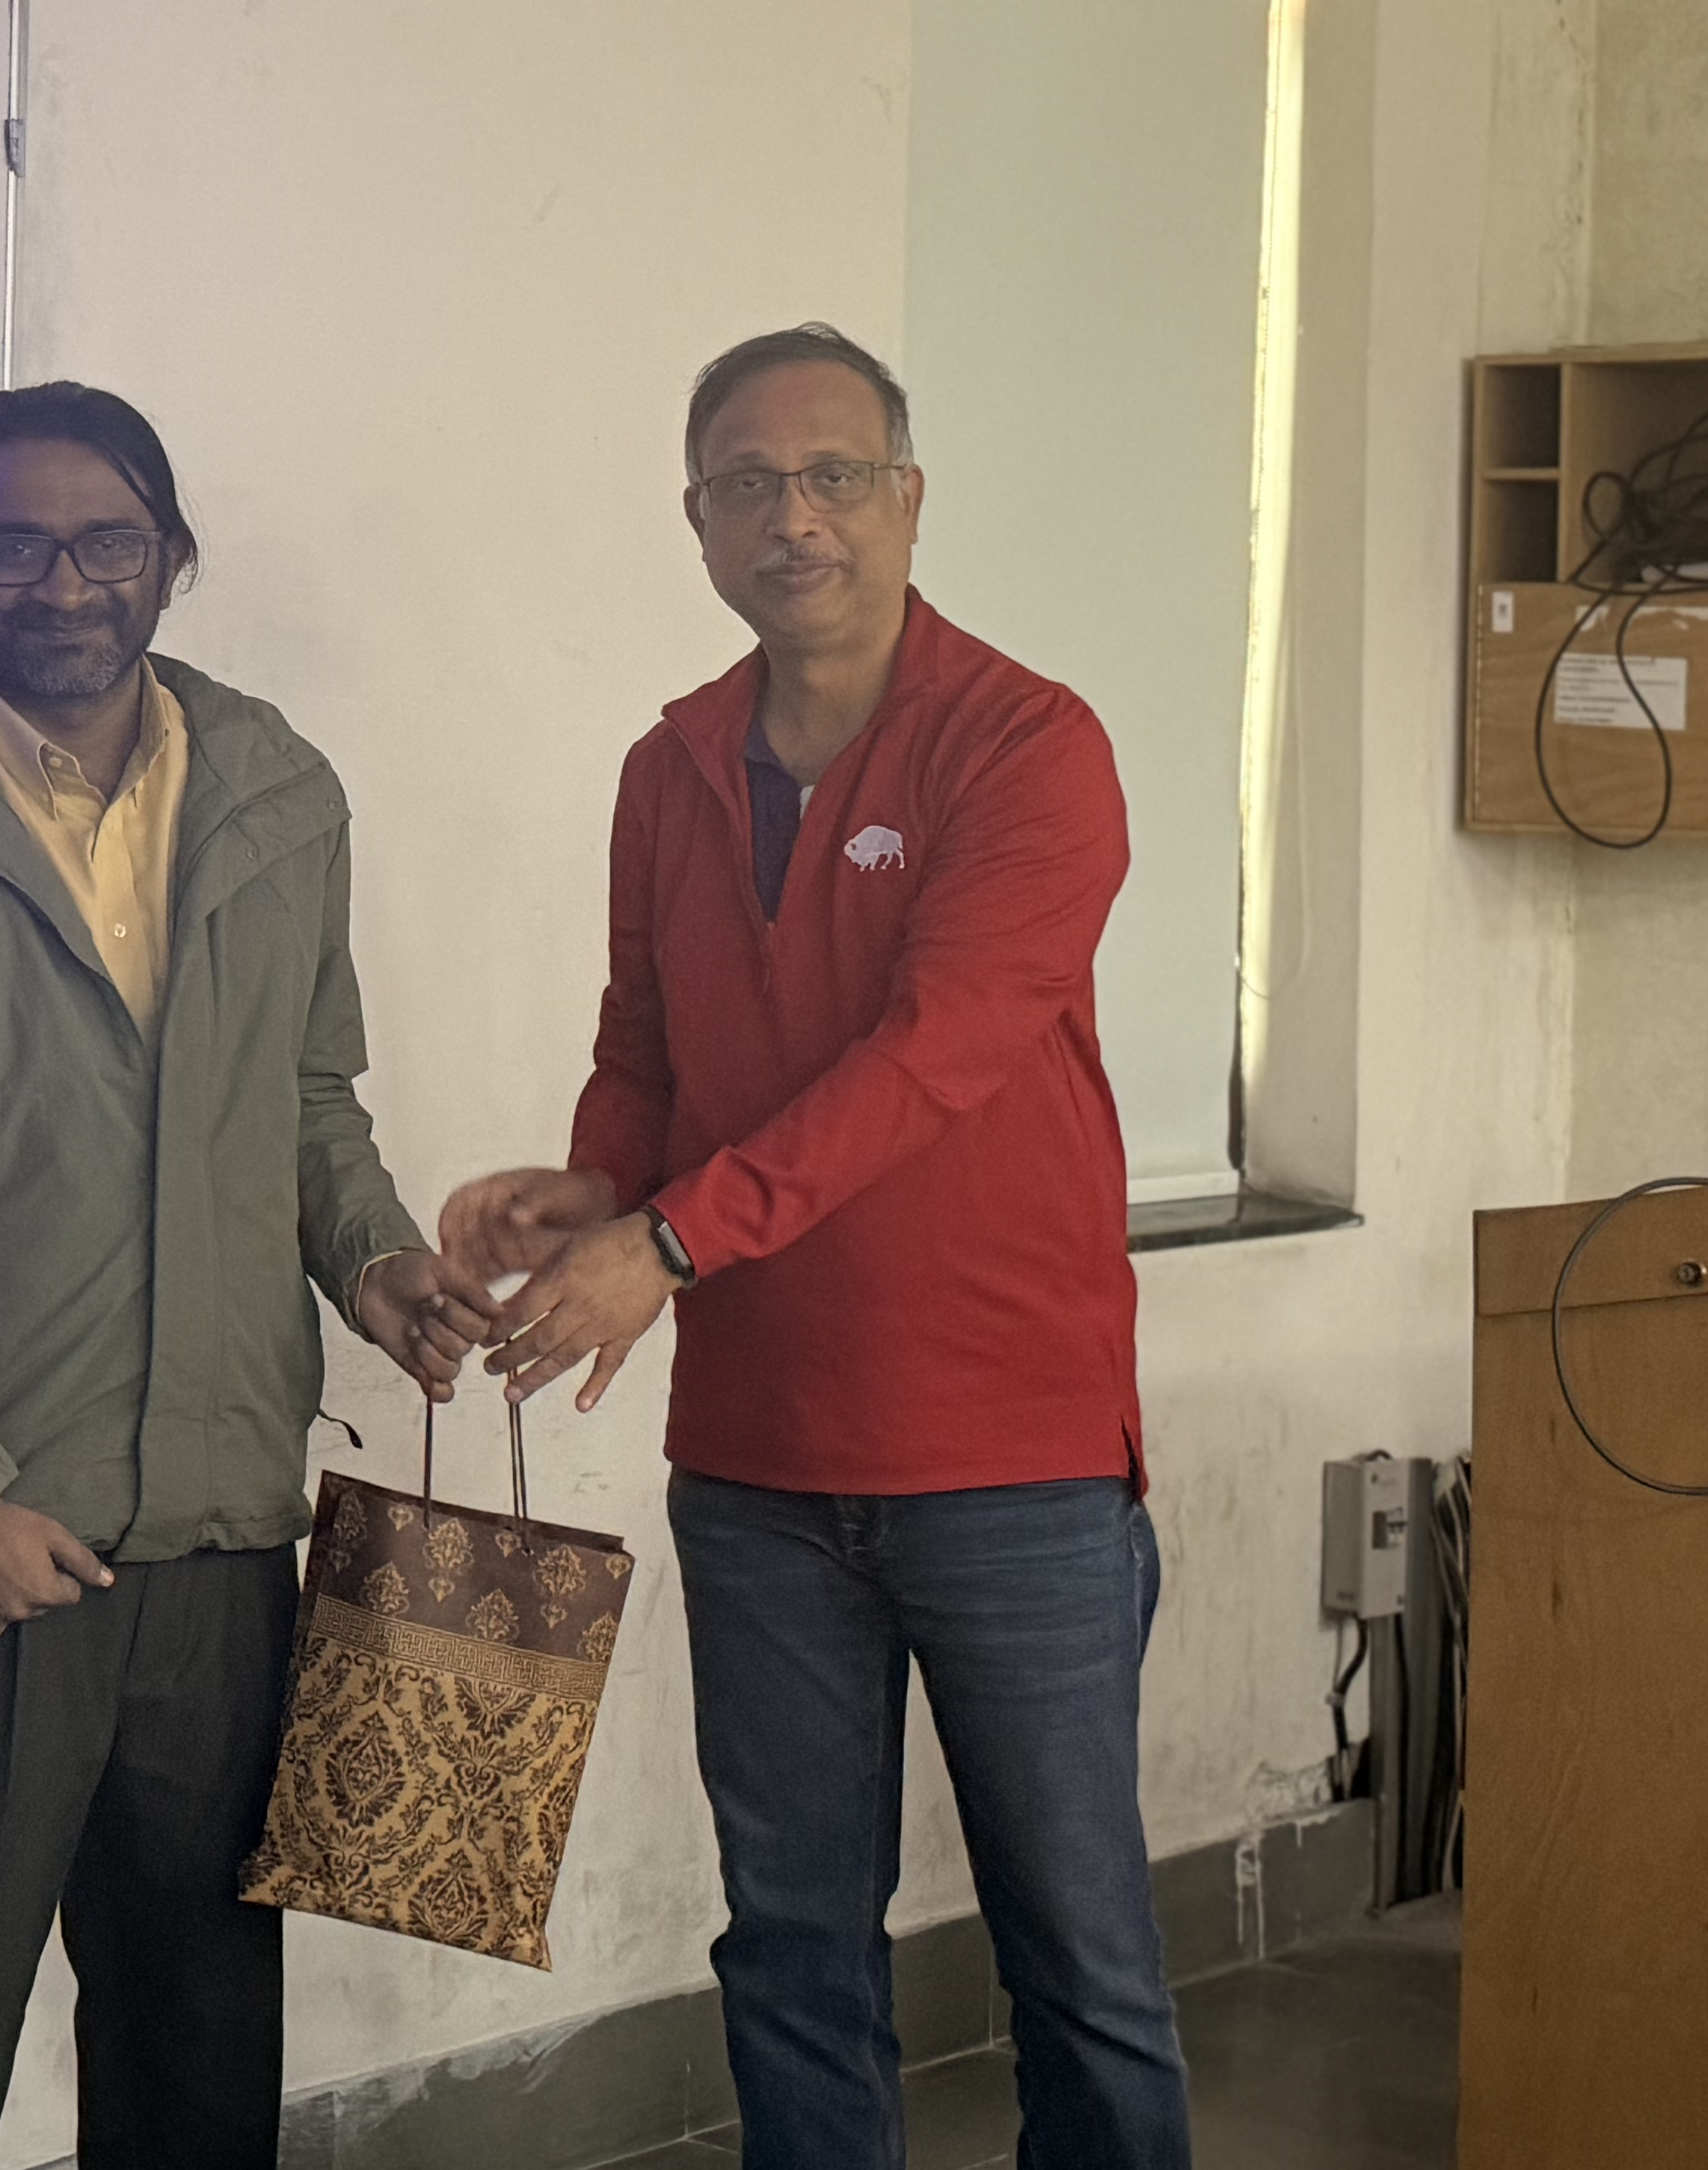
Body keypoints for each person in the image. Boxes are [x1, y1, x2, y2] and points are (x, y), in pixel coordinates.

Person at [0, 381, 491, 2170]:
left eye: (105, 543)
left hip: (221, 1540)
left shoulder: (281, 792)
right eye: (16, 546)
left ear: (170, 557)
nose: (63, 584)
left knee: (200, 2065)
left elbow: (308, 1096)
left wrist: (373, 1257)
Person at [443, 325, 1192, 2170]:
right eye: (750, 485)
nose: (797, 519)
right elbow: (650, 1048)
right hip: (760, 1465)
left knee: (1081, 1961)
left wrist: (670, 1238)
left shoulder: (1030, 745)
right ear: (698, 519)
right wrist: (595, 1192)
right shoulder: (673, 763)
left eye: (835, 477)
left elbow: (936, 1055)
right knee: (790, 1951)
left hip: (1012, 1456)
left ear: (908, 501)